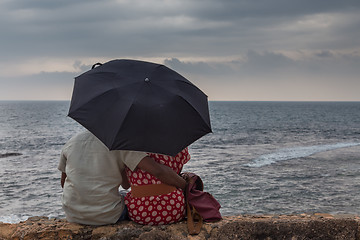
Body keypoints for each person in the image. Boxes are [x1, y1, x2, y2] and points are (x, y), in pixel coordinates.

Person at [58, 130, 186, 225]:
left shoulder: (71, 142)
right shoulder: (120, 143)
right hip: (107, 215)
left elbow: (64, 183)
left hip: (72, 214)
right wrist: (185, 185)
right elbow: (157, 171)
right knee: (127, 197)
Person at [124, 148, 190, 225]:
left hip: (139, 211)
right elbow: (176, 174)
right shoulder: (177, 142)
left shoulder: (128, 147)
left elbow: (125, 185)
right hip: (174, 208)